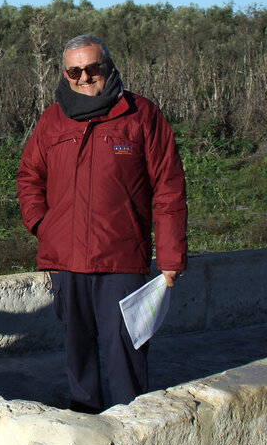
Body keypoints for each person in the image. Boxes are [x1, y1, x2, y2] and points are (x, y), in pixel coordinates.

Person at [17, 34, 187, 413]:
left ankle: (132, 423)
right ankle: (85, 420)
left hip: (122, 258)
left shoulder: (142, 115)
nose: (84, 77)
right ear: (65, 73)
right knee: (78, 352)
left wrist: (171, 256)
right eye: (74, 70)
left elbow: (169, 187)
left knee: (127, 348)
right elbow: (29, 176)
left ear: (108, 67)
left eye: (92, 68)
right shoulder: (52, 119)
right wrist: (43, 225)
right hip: (65, 258)